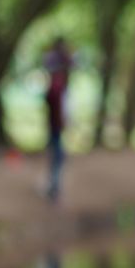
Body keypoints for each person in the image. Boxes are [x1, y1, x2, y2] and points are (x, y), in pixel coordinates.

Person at [41, 36, 76, 202]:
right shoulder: (57, 88)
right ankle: (54, 188)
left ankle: (53, 186)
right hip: (55, 124)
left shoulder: (58, 88)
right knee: (58, 155)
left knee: (57, 155)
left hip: (54, 124)